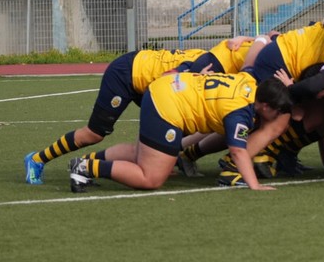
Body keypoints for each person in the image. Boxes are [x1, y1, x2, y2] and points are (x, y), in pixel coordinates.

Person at [68, 72, 293, 192]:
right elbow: (238, 151)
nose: (279, 115)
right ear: (265, 106)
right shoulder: (240, 113)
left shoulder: (249, 82)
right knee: (152, 177)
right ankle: (85, 167)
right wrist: (255, 185)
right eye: (279, 110)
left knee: (141, 154)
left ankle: (86, 162)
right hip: (167, 105)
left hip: (166, 89)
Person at [24, 46, 208, 185]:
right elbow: (170, 77)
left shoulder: (213, 60)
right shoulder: (210, 65)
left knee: (152, 143)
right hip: (127, 74)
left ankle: (84, 165)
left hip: (151, 85)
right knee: (93, 134)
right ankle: (37, 159)